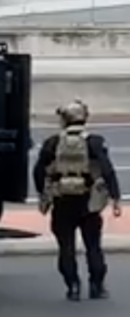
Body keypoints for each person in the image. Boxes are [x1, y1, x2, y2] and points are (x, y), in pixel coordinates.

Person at [33, 99, 122, 301]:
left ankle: (72, 285)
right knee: (93, 245)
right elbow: (107, 169)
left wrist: (43, 193)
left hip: (63, 201)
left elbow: (39, 170)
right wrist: (115, 196)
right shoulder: (95, 141)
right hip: (89, 201)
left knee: (66, 247)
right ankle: (96, 285)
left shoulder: (52, 143)